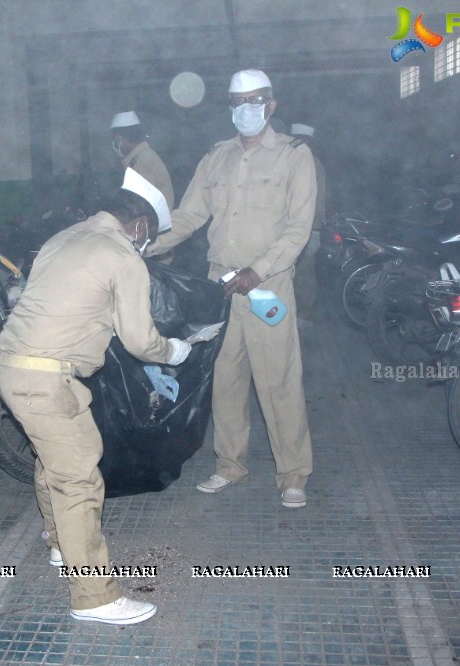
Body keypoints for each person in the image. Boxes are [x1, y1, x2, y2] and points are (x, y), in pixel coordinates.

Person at [0, 168, 191, 625]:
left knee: (57, 461)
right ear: (139, 225)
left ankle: (63, 547)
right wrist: (175, 350)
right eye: (149, 237)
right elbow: (140, 340)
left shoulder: (64, 237)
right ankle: (94, 597)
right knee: (79, 478)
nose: (146, 246)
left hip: (11, 368)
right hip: (46, 376)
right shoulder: (122, 255)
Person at [147, 69, 317, 509]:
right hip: (218, 287)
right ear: (228, 106)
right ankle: (230, 465)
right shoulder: (216, 158)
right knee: (224, 379)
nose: (247, 109)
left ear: (272, 104)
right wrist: (142, 243)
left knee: (278, 379)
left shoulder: (294, 156)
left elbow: (299, 228)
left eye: (256, 100)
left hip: (268, 287)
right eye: (238, 101)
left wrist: (258, 271)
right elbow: (187, 216)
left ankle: (293, 473)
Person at [288, 123, 327, 323]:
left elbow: (319, 198)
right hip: (285, 228)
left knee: (304, 273)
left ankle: (305, 315)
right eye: (295, 138)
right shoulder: (284, 161)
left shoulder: (314, 163)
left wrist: (315, 230)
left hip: (306, 228)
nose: (298, 142)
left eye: (302, 139)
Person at [110, 111, 175, 209]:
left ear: (119, 139)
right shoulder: (144, 156)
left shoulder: (139, 164)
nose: (113, 145)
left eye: (113, 141)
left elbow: (140, 206)